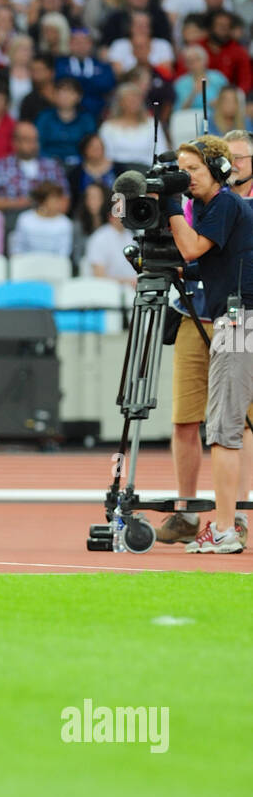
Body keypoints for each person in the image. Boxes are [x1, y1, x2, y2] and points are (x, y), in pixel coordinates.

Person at [156, 130, 253, 549]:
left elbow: (193, 248)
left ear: (218, 171)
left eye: (192, 169)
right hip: (240, 317)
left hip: (237, 321)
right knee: (224, 427)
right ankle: (226, 526)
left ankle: (227, 530)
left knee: (224, 430)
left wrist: (172, 206)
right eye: (180, 171)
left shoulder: (223, 204)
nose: (185, 177)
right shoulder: (225, 206)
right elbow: (210, 265)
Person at [10, 182, 73, 257]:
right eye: (55, 200)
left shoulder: (65, 223)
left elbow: (64, 253)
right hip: (27, 264)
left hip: (54, 265)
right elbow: (17, 248)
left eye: (59, 199)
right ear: (43, 200)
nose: (59, 203)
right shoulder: (25, 219)